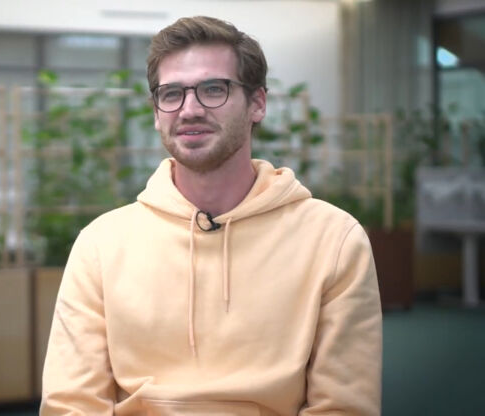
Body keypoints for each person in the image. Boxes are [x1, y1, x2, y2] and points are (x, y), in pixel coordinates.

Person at [40, 16, 382, 416]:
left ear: (257, 103)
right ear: (156, 111)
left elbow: (343, 408)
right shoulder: (101, 243)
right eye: (171, 94)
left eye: (213, 89)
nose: (190, 110)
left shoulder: (334, 240)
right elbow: (71, 405)